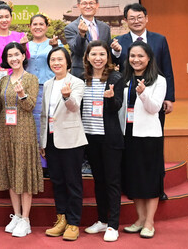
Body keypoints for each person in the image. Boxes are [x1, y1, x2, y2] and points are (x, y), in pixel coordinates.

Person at [0, 42, 42, 238]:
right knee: (11, 170)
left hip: (24, 130)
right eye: (10, 55)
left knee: (23, 171)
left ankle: (26, 219)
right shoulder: (4, 80)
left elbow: (30, 106)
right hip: (5, 130)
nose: (13, 58)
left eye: (17, 54)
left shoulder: (31, 79)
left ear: (23, 56)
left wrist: (22, 94)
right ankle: (17, 215)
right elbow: (0, 107)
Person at [40, 46, 87, 241]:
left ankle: (74, 223)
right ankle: (61, 219)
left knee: (73, 182)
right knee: (57, 181)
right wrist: (43, 141)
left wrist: (67, 96)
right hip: (51, 139)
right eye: (53, 60)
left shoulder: (77, 82)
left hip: (71, 140)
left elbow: (74, 106)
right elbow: (44, 115)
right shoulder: (48, 84)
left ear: (68, 62)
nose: (56, 63)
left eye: (60, 59)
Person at [120, 41, 166, 239]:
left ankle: (149, 222)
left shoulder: (159, 80)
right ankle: (139, 220)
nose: (136, 60)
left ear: (148, 59)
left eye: (140, 56)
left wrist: (143, 94)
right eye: (132, 56)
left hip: (149, 136)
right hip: (128, 134)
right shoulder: (125, 79)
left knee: (150, 179)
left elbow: (154, 108)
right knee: (134, 179)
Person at [81, 41, 125, 242]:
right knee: (98, 180)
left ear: (108, 57)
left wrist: (110, 98)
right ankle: (102, 220)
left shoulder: (115, 78)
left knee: (112, 181)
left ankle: (113, 225)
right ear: (87, 57)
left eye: (102, 54)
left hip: (109, 138)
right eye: (93, 54)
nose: (97, 58)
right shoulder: (83, 79)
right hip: (89, 137)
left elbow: (116, 107)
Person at [111, 3, 175, 119]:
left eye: (139, 17)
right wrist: (116, 53)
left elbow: (167, 69)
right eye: (132, 18)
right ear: (125, 20)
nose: (136, 21)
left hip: (154, 91)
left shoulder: (159, 40)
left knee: (154, 124)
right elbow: (112, 65)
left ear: (146, 18)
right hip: (128, 92)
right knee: (127, 128)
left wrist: (169, 97)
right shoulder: (118, 41)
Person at [25, 14, 60, 170]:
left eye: (41, 24)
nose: (38, 27)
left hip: (49, 88)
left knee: (47, 124)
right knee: (32, 126)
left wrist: (55, 47)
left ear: (46, 26)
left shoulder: (54, 43)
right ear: (30, 27)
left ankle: (48, 164)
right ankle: (34, 164)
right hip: (30, 90)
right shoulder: (25, 45)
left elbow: (61, 62)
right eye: (34, 24)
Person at [64, 0, 111, 78]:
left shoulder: (105, 27)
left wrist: (116, 51)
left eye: (91, 3)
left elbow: (108, 51)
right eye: (84, 3)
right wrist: (81, 35)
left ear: (97, 5)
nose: (88, 6)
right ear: (78, 5)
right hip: (81, 73)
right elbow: (77, 50)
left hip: (102, 74)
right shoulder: (70, 28)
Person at [0, 1, 29, 86]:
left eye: (7, 17)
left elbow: (26, 58)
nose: (4, 20)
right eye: (0, 17)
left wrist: (23, 45)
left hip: (16, 80)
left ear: (11, 18)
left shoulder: (20, 36)